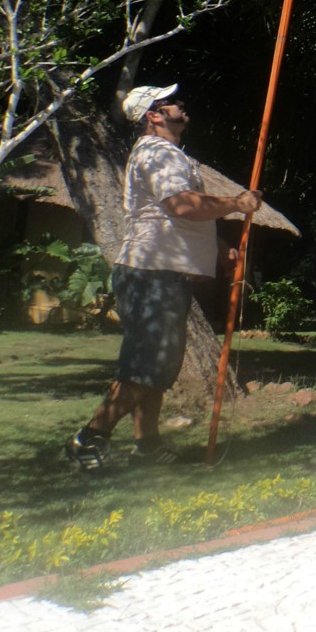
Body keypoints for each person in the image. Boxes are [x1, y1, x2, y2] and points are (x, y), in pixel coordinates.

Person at [64, 83, 262, 469]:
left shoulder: (168, 155)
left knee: (149, 365)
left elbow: (177, 216)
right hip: (152, 274)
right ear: (153, 116)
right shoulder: (157, 153)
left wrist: (221, 250)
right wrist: (239, 203)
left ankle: (147, 445)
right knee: (150, 366)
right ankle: (88, 439)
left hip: (157, 274)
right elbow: (181, 206)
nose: (180, 104)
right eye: (170, 102)